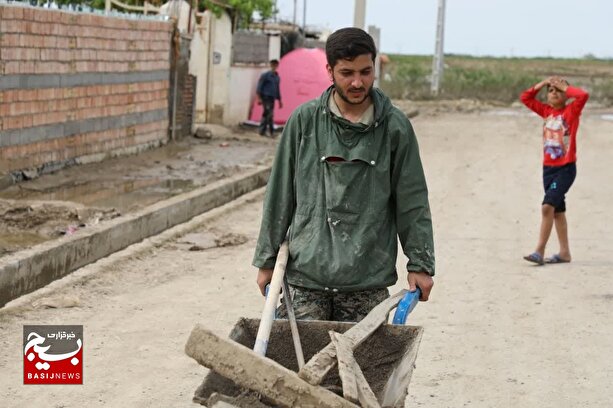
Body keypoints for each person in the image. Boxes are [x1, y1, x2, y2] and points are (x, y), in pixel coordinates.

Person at [252, 28, 435, 322]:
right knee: (298, 364)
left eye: (365, 71)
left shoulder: (395, 127)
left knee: (361, 366)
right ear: (330, 70)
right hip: (307, 277)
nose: (357, 82)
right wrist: (266, 260)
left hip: (366, 280)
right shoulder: (304, 121)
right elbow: (280, 193)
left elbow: (412, 201)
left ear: (374, 67)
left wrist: (421, 264)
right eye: (347, 72)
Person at [520, 76, 589, 265]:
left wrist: (566, 87)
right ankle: (565, 253)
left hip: (565, 169)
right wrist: (541, 84)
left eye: (558, 91)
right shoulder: (546, 111)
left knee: (547, 206)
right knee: (557, 211)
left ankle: (539, 251)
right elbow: (525, 98)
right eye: (551, 91)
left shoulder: (571, 112)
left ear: (566, 95)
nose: (554, 93)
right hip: (548, 170)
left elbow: (583, 96)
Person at [256, 59, 283, 137]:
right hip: (265, 97)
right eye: (273, 65)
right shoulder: (265, 75)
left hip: (272, 98)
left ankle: (263, 131)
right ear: (271, 65)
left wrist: (280, 100)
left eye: (275, 65)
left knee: (266, 114)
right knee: (269, 114)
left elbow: (277, 89)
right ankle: (270, 131)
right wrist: (259, 98)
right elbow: (259, 87)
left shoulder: (277, 77)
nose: (274, 67)